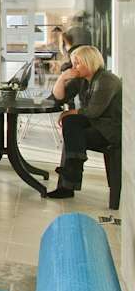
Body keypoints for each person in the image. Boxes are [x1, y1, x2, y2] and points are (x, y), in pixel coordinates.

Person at [47, 45, 121, 199]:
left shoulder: (106, 80)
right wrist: (62, 78)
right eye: (73, 63)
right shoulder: (81, 80)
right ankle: (71, 175)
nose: (74, 67)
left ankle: (68, 183)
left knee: (72, 131)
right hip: (95, 124)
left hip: (110, 131)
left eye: (77, 63)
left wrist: (69, 112)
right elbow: (58, 98)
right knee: (71, 126)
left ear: (90, 62)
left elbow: (93, 112)